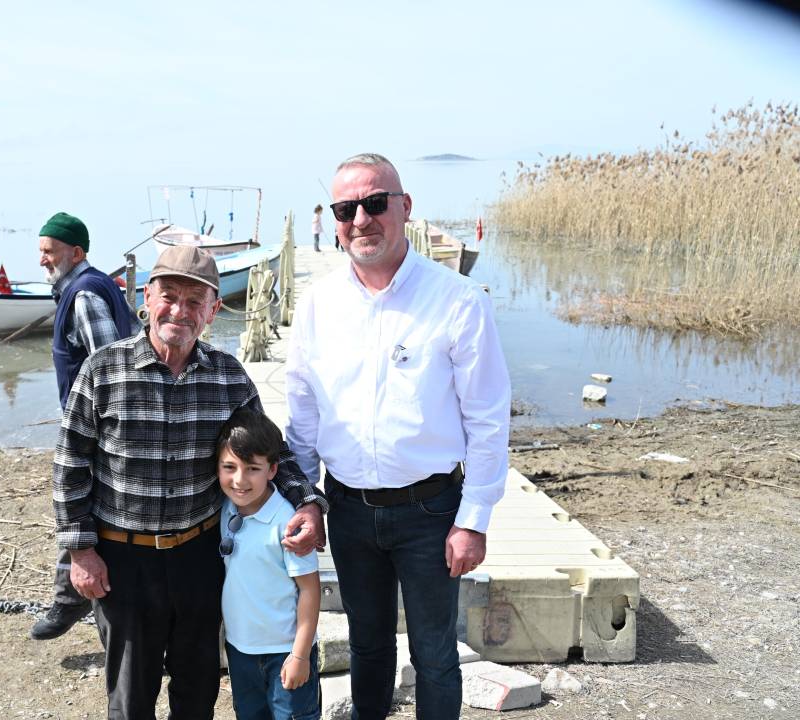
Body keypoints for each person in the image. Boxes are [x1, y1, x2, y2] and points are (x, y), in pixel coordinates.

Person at [53, 245, 328, 719]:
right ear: (146, 296)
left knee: (198, 687)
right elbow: (70, 465)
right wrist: (80, 551)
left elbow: (272, 452)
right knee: (131, 695)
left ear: (213, 311)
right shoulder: (103, 371)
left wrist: (308, 505)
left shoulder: (228, 377)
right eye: (169, 296)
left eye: (195, 301)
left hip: (200, 554)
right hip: (123, 559)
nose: (179, 310)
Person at [285, 153, 511, 719]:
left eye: (374, 203)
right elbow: (303, 414)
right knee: (367, 646)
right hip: (349, 510)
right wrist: (304, 500)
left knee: (434, 652)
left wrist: (473, 519)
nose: (361, 218)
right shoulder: (318, 306)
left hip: (431, 510)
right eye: (345, 208)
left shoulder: (457, 300)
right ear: (335, 220)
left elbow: (487, 417)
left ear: (404, 208)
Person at [30, 211, 140, 641]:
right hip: (99, 425)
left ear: (76, 253)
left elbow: (110, 369)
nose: (42, 260)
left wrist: (107, 434)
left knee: (83, 508)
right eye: (40, 251)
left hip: (98, 428)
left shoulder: (84, 296)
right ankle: (73, 600)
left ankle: (77, 602)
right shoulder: (89, 288)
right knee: (87, 511)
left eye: (49, 252)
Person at [216, 408, 321, 720]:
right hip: (240, 649)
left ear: (273, 469)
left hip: (285, 651)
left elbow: (310, 591)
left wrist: (300, 654)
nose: (239, 480)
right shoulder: (225, 509)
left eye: (252, 469)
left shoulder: (287, 522)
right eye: (229, 467)